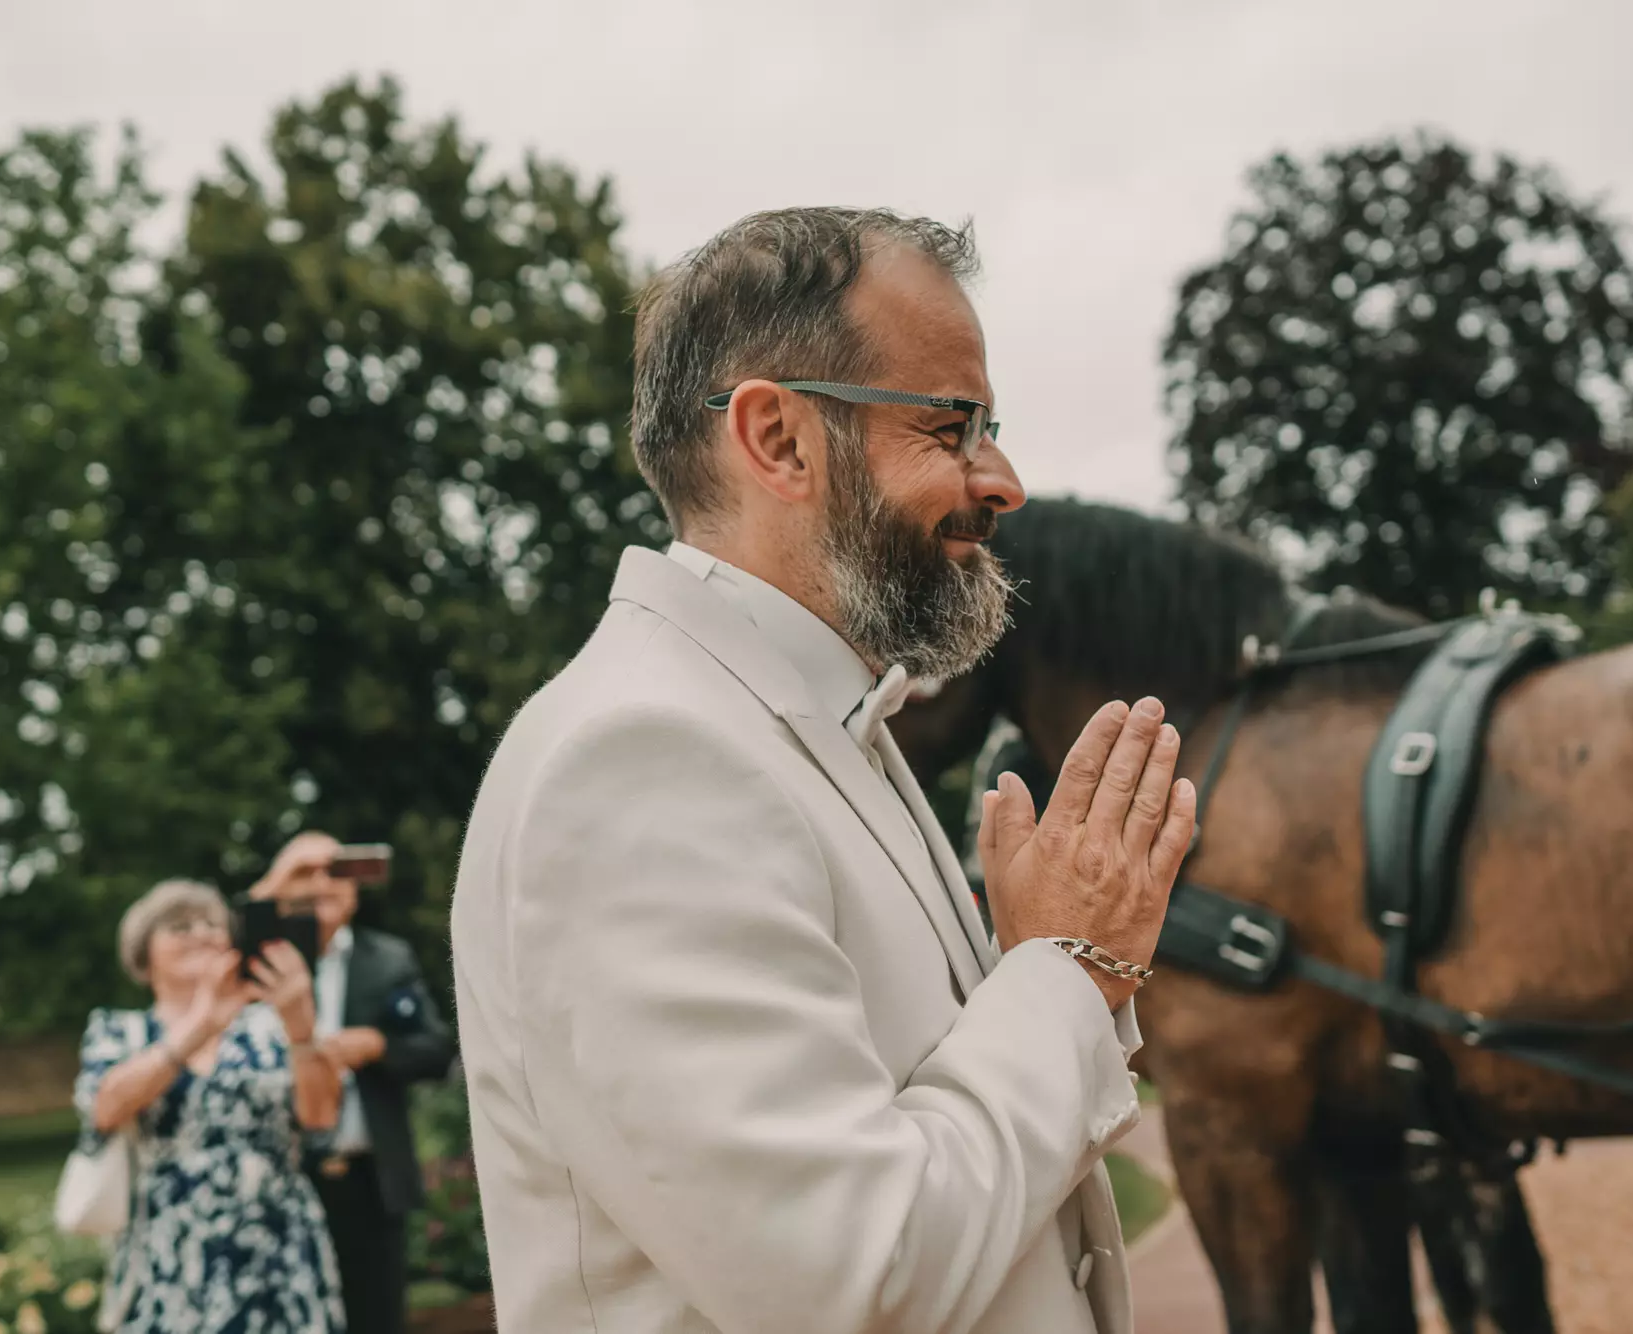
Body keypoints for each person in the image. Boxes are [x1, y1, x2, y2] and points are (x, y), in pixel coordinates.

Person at [451, 207, 1196, 1333]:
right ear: (780, 440)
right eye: (949, 427)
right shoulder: (645, 758)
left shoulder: (796, 717)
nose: (1001, 480)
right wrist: (1063, 973)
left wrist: (1027, 974)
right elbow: (852, 1277)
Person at [76, 879, 346, 1334]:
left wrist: (301, 1027)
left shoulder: (268, 1025)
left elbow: (320, 1116)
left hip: (276, 1243)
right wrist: (202, 1023)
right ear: (144, 952)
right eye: (180, 926)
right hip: (169, 1250)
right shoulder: (120, 1032)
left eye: (212, 924)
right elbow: (105, 1109)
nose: (200, 933)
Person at [248, 833, 457, 1334]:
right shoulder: (257, 960)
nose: (322, 882)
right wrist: (274, 881)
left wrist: (379, 1045)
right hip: (280, 1178)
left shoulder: (388, 958)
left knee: (375, 1319)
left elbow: (437, 1049)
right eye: (306, 872)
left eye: (337, 871)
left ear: (357, 890)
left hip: (368, 1178)